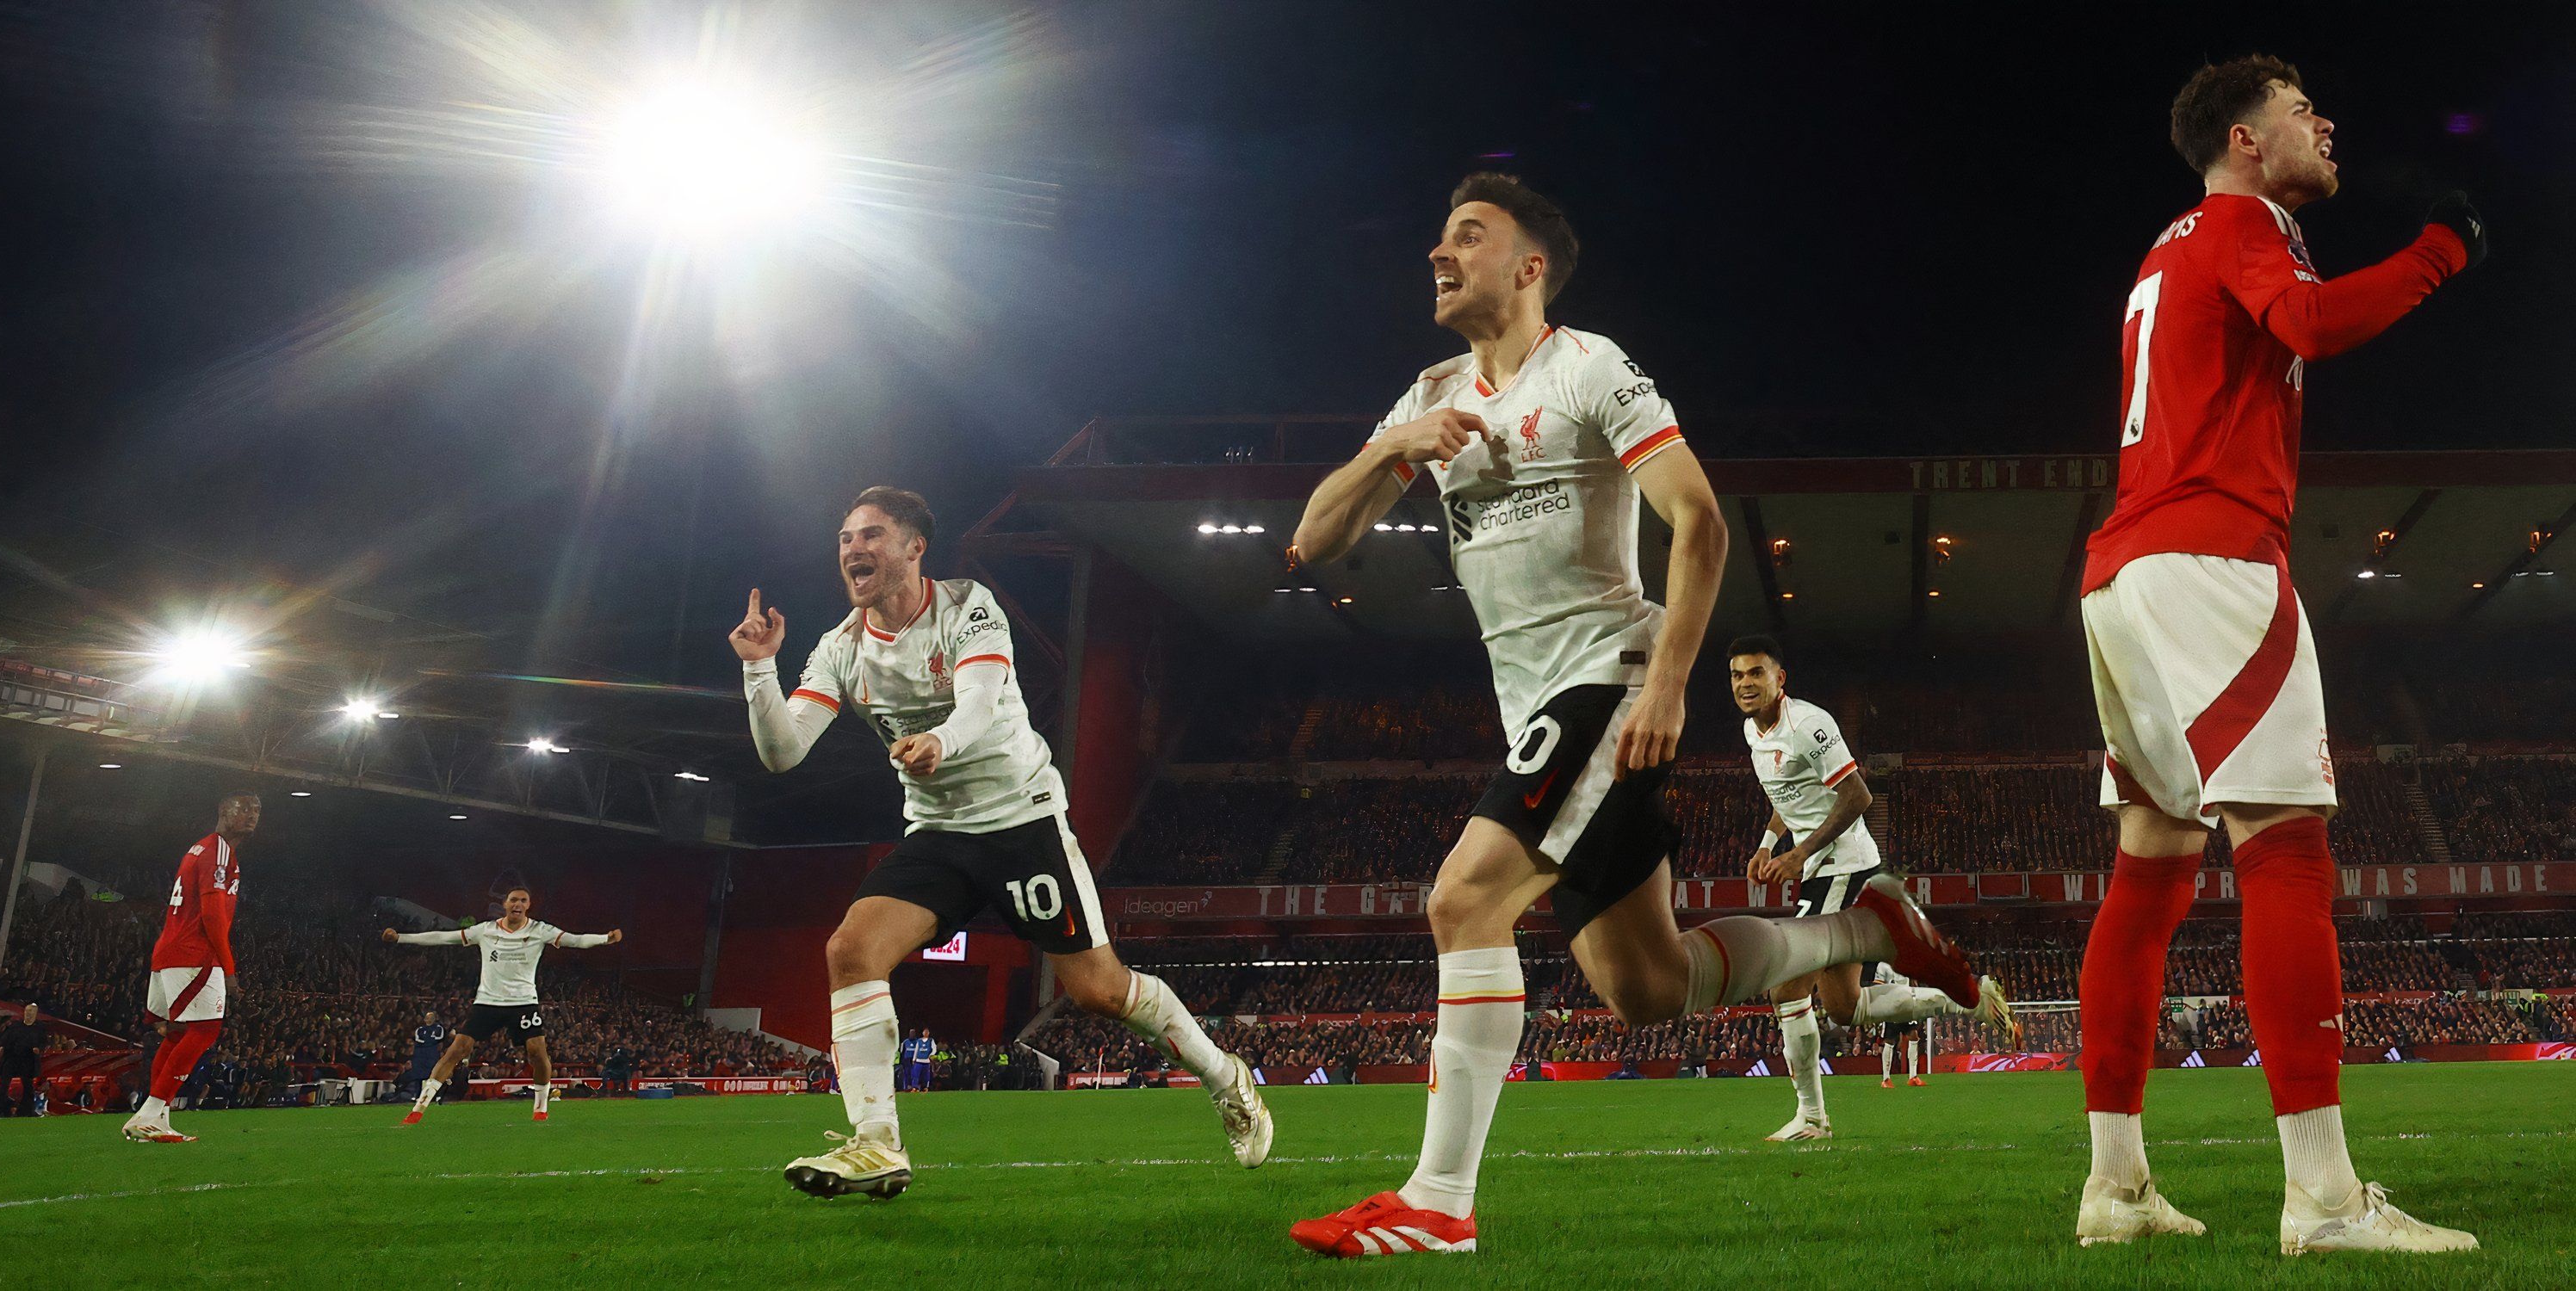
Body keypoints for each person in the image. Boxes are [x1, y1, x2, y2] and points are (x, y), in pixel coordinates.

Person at [1282, 174, 1981, 1258]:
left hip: (1608, 678)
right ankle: (1862, 927)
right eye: (1439, 234)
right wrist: (1391, 448)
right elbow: (1311, 544)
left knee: (1462, 901)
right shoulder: (1427, 394)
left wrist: (1665, 684)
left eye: (1467, 235)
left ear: (1528, 268)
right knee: (1645, 988)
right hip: (1533, 709)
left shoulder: (1589, 368)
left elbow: (1698, 524)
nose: (1438, 250)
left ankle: (1440, 1202)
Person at [2074, 55, 2481, 1254]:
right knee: (2287, 850)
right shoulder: (2243, 224)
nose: (2327, 123)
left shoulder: (2171, 246)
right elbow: (2307, 322)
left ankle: (2118, 1186)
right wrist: (2438, 254)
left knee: (2149, 870)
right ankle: (2324, 1198)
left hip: (2123, 575)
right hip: (2213, 560)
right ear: (2247, 141)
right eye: (2304, 111)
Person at [734, 486, 1273, 1200]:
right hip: (939, 833)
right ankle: (877, 1145)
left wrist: (941, 742)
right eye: (844, 539)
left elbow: (982, 704)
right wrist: (758, 668)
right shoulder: (841, 648)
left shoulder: (968, 606)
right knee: (850, 950)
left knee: (1101, 992)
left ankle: (1223, 1074)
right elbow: (782, 752)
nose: (853, 550)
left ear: (913, 548)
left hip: (1020, 820)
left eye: (870, 536)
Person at [1730, 636, 2013, 1142]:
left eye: (1756, 673)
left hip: (1842, 865)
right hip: (1822, 868)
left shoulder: (1810, 725)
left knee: (1786, 987)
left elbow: (1856, 794)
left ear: (1780, 679)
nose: (1746, 683)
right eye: (1737, 675)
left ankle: (1812, 1118)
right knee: (1843, 1007)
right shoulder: (1754, 732)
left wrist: (1800, 852)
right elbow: (1788, 795)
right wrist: (1769, 844)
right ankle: (1965, 1001)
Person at [381, 887, 621, 1124]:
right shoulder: (486, 930)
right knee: (457, 1050)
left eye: (523, 900)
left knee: (537, 1053)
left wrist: (605, 939)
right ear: (505, 904)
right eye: (513, 900)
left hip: (524, 1002)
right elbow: (445, 937)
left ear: (528, 905)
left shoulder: (539, 930)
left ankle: (541, 1108)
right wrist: (402, 937)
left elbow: (575, 940)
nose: (517, 904)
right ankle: (419, 1107)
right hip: (488, 1002)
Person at [122, 792, 258, 1144]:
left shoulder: (199, 848)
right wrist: (228, 968)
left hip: (171, 951)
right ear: (223, 812)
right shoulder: (219, 851)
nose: (252, 815)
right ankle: (151, 1111)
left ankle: (154, 1117)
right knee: (205, 1031)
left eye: (257, 810)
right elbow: (213, 915)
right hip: (194, 954)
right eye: (243, 809)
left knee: (179, 1033)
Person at [0, 1004, 47, 1117]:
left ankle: (26, 1112)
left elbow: (43, 1042)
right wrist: (2, 1046)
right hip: (12, 1058)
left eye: (31, 1012)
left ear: (35, 1014)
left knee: (28, 1086)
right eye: (27, 1011)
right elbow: (6, 1038)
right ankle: (0, 1110)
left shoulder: (39, 1028)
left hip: (28, 1059)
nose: (29, 1014)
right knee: (4, 1085)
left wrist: (38, 1049)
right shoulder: (16, 1026)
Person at [403, 1010, 449, 1101]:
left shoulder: (439, 1028)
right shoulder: (420, 1029)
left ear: (435, 1019)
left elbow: (439, 1038)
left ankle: (437, 1095)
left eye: (431, 1018)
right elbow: (418, 1039)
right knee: (418, 1075)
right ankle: (417, 1095)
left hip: (432, 1055)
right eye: (427, 1018)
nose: (429, 1020)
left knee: (434, 1075)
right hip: (420, 1055)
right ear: (424, 1019)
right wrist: (430, 1041)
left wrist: (428, 1042)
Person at [899, 1028, 934, 1094]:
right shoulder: (905, 1042)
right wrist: (902, 1061)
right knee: (907, 1074)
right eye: (911, 1033)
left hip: (916, 1060)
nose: (912, 1034)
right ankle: (906, 1087)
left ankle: (917, 1087)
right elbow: (902, 1052)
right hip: (907, 1060)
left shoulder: (918, 1041)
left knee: (916, 1074)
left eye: (913, 1033)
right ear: (909, 1034)